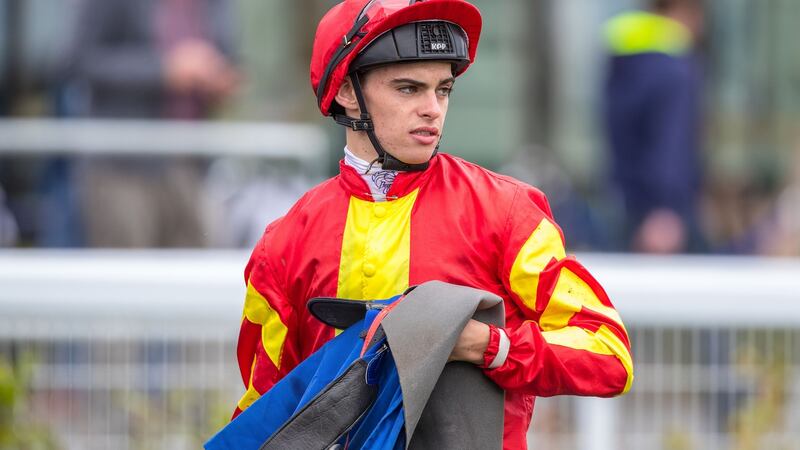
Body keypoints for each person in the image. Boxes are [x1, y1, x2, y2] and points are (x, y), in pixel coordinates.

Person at [234, 1, 633, 448]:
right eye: (408, 89)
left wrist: (486, 345)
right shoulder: (284, 243)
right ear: (347, 91)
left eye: (442, 89)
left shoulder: (507, 211)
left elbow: (609, 355)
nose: (433, 109)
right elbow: (262, 413)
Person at [69, 0, 239, 247]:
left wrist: (221, 77)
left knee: (191, 279)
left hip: (192, 166)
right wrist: (164, 71)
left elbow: (228, 55)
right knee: (128, 279)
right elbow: (79, 60)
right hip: (123, 169)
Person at [603, 0, 705, 253]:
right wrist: (666, 209)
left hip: (625, 204)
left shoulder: (623, 61)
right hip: (663, 219)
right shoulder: (674, 69)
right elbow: (672, 142)